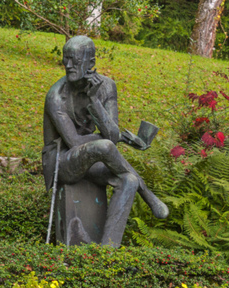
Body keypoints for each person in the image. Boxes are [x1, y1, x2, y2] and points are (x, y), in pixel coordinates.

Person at [43, 35, 168, 246]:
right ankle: (147, 194)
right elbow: (75, 141)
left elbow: (111, 136)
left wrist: (94, 101)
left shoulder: (107, 87)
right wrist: (108, 139)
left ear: (91, 63)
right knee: (104, 146)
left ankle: (106, 253)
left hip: (92, 158)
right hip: (61, 161)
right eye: (66, 58)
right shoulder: (56, 96)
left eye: (75, 59)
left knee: (128, 180)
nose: (68, 65)